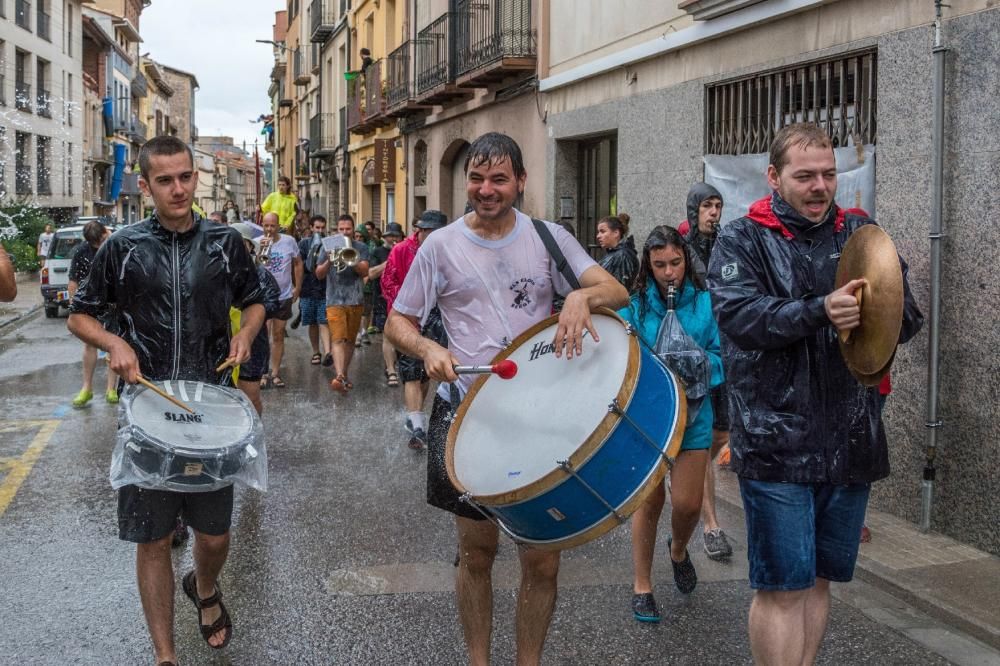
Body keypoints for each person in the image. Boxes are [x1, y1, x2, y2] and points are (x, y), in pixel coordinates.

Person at [385, 132, 628, 664]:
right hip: (466, 415)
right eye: (476, 178)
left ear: (520, 182)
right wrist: (427, 346)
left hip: (540, 416)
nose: (487, 189)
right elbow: (397, 320)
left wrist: (580, 297)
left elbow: (616, 291)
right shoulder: (439, 245)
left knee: (541, 561)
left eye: (499, 179)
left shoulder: (548, 237)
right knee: (476, 555)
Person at [707, 122, 923, 666]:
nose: (820, 186)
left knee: (820, 580)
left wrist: (887, 307)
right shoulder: (742, 236)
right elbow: (738, 317)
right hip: (775, 440)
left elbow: (909, 319)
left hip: (850, 439)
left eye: (829, 173)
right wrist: (819, 310)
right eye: (805, 176)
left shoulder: (860, 231)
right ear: (775, 178)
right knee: (783, 586)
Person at [67, 135, 265, 665]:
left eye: (185, 177)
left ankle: (203, 587)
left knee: (215, 536)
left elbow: (254, 300)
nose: (178, 189)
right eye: (165, 180)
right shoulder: (122, 247)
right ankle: (165, 655)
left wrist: (246, 334)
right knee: (152, 539)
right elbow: (79, 313)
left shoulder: (226, 242)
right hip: (146, 413)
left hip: (210, 413)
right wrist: (114, 342)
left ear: (195, 177)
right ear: (147, 184)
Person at [618, 225, 723, 623]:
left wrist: (698, 365)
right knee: (649, 501)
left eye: (675, 263)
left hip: (694, 417)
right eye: (659, 264)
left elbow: (722, 356)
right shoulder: (635, 306)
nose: (668, 273)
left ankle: (678, 548)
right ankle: (641, 585)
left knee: (687, 504)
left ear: (686, 260)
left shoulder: (706, 304)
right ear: (648, 264)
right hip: (647, 418)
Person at [680, 182, 733, 561]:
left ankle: (691, 477)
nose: (713, 213)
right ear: (694, 210)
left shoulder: (729, 244)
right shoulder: (681, 252)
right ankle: (711, 524)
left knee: (722, 434)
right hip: (695, 354)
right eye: (707, 206)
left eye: (718, 205)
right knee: (702, 436)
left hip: (727, 352)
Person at [381, 210, 449, 449]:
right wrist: (406, 309)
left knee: (426, 373)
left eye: (430, 232)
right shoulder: (400, 250)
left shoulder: (448, 249)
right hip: (410, 318)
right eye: (422, 230)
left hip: (438, 318)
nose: (423, 235)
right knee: (411, 373)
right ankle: (418, 427)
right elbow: (387, 283)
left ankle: (415, 415)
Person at [230, 222, 283, 415]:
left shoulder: (261, 273)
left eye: (241, 243)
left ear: (251, 246)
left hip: (252, 343)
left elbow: (272, 303)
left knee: (250, 398)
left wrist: (250, 308)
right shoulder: (216, 272)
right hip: (222, 342)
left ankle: (254, 437)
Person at [316, 214, 370, 393]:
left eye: (348, 229)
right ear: (336, 230)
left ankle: (344, 376)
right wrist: (329, 261)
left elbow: (364, 272)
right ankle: (339, 375)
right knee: (338, 338)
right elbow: (319, 274)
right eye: (341, 229)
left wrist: (351, 260)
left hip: (355, 299)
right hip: (334, 300)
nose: (345, 232)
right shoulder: (328, 245)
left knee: (350, 341)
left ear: (353, 229)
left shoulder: (361, 246)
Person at [68, 221, 119, 407]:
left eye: (101, 240)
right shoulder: (82, 251)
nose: (98, 246)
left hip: (114, 303)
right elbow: (74, 279)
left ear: (107, 231)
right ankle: (86, 388)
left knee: (114, 344)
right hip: (92, 302)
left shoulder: (118, 243)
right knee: (90, 344)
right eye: (94, 244)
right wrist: (74, 307)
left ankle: (111, 389)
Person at [259, 212, 303, 389]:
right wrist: (260, 250)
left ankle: (275, 373)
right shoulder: (258, 241)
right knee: (263, 335)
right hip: (263, 296)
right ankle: (262, 372)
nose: (269, 229)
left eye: (272, 226)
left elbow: (298, 263)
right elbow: (253, 267)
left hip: (283, 295)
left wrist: (297, 287)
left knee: (278, 334)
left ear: (278, 226)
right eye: (266, 226)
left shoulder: (288, 241)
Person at [366, 221, 403, 385]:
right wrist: (392, 259)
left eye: (396, 236)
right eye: (390, 236)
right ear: (385, 238)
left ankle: (396, 364)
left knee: (402, 337)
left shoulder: (407, 251)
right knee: (387, 335)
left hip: (403, 299)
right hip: (382, 298)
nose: (392, 239)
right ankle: (391, 370)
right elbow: (371, 273)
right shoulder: (377, 252)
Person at [299, 215, 333, 368]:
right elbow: (302, 266)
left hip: (325, 287)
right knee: (312, 322)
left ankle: (327, 352)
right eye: (317, 227)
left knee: (324, 320)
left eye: (322, 227)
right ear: (311, 228)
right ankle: (315, 352)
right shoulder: (304, 244)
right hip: (307, 288)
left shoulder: (329, 243)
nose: (319, 230)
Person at [596, 213, 639, 290]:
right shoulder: (614, 254)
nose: (598, 236)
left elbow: (620, 288)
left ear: (616, 233)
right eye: (598, 232)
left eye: (602, 232)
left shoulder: (623, 255)